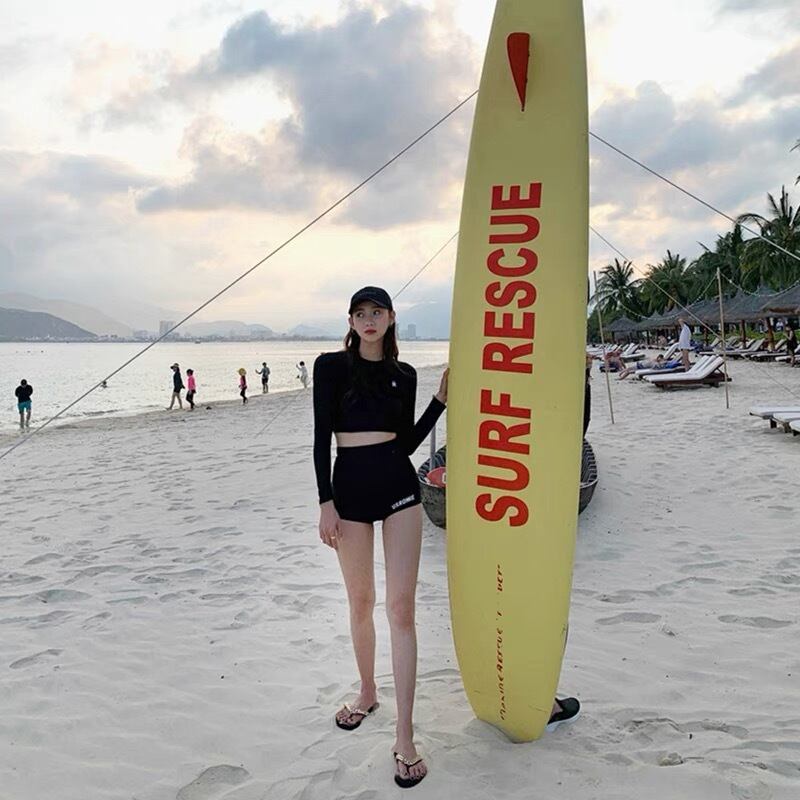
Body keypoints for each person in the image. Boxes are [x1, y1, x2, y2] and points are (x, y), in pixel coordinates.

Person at [313, 286, 448, 789]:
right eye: (360, 313)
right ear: (351, 322)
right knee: (361, 600)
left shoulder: (404, 374)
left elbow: (406, 442)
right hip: (348, 491)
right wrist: (325, 502)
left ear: (390, 319)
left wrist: (438, 402)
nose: (368, 319)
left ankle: (405, 735)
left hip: (397, 488)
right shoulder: (330, 367)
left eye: (377, 312)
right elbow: (320, 438)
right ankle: (368, 691)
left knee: (400, 609)